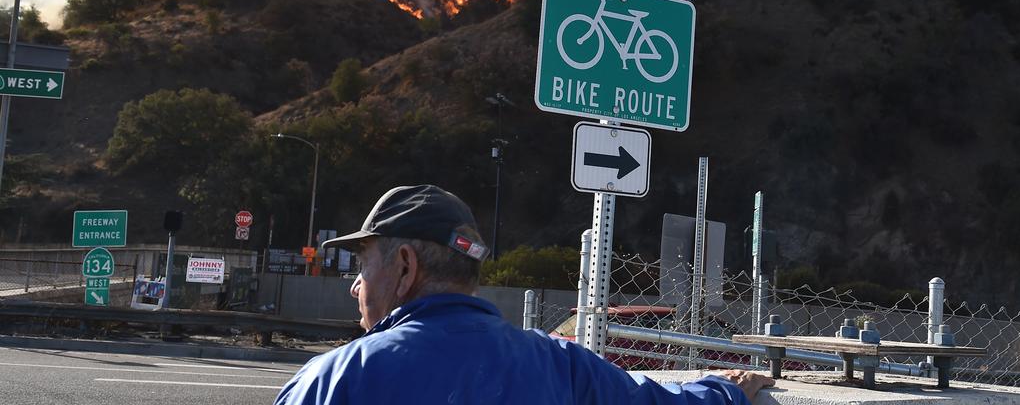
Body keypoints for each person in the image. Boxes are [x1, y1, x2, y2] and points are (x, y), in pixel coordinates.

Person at [275, 184, 774, 404]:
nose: (356, 286)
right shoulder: (560, 365)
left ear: (405, 266)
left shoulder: (332, 381)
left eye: (363, 266)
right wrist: (725, 390)